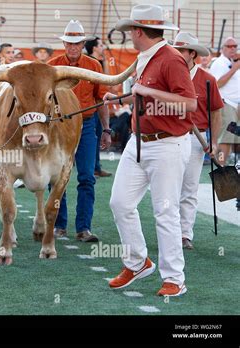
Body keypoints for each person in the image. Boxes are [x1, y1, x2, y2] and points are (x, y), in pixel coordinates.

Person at [104, 4, 198, 297]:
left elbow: (189, 104)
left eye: (131, 30)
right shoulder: (147, 57)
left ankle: (174, 279)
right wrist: (122, 99)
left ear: (139, 31)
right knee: (119, 203)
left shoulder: (170, 58)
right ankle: (137, 262)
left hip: (167, 144)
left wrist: (147, 93)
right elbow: (146, 99)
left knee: (164, 212)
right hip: (139, 141)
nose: (130, 35)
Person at [48, 20, 110, 242]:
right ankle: (59, 225)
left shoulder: (94, 66)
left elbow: (101, 98)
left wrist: (107, 129)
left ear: (83, 43)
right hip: (59, 126)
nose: (72, 47)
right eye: (69, 43)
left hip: (86, 124)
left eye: (76, 43)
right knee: (56, 177)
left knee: (86, 176)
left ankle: (83, 228)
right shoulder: (52, 66)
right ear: (64, 43)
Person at [172, 32, 224, 250]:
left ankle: (185, 234)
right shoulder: (169, 76)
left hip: (196, 138)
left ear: (192, 53)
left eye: (180, 51)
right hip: (171, 136)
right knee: (169, 188)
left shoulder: (208, 80)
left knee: (189, 187)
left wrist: (214, 142)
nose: (176, 54)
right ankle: (170, 231)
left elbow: (216, 113)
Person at [209, 37, 240, 165]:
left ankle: (226, 165)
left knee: (233, 139)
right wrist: (234, 69)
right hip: (225, 103)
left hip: (235, 105)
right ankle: (220, 166)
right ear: (223, 48)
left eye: (235, 46)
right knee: (225, 139)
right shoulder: (219, 63)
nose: (232, 48)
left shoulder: (233, 62)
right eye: (229, 46)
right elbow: (216, 84)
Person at [85, 36, 112, 177]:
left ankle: (95, 166)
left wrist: (105, 61)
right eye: (100, 45)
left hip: (98, 103)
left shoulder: (99, 62)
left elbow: (106, 79)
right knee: (93, 137)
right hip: (93, 105)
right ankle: (94, 167)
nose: (103, 47)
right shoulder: (89, 62)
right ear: (94, 47)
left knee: (94, 137)